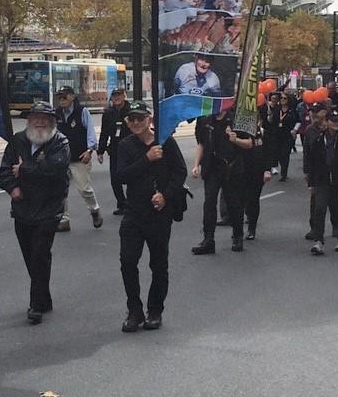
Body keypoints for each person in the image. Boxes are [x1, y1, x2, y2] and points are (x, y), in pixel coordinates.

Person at [116, 101, 187, 332]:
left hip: (158, 215)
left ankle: (155, 310)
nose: (136, 122)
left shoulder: (165, 142)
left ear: (150, 120)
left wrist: (166, 196)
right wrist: (147, 159)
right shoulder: (125, 145)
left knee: (158, 264)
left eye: (140, 118)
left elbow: (180, 172)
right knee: (127, 261)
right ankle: (134, 310)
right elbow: (122, 176)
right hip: (133, 213)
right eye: (132, 119)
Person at [0, 101, 70, 324]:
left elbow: (55, 170)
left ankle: (36, 305)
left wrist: (24, 169)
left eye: (44, 118)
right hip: (23, 209)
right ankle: (44, 297)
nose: (39, 122)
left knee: (40, 254)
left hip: (49, 209)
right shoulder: (18, 141)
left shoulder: (60, 142)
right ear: (29, 121)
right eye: (35, 118)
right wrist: (13, 187)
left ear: (51, 122)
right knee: (31, 257)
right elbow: (4, 169)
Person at [191, 109, 252, 253]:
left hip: (231, 168)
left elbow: (249, 143)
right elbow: (201, 144)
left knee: (234, 205)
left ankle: (237, 236)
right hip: (211, 168)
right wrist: (195, 165)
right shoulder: (205, 120)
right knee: (209, 203)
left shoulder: (236, 118)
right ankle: (208, 240)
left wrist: (235, 140)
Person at [54, 85, 102, 232]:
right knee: (59, 190)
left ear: (72, 97)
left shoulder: (82, 112)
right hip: (62, 158)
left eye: (64, 96)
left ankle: (94, 210)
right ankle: (64, 219)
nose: (61, 100)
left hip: (80, 157)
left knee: (84, 189)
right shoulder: (57, 114)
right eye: (59, 97)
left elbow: (90, 132)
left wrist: (90, 150)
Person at [307, 110, 338, 255]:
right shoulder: (320, 140)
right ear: (326, 122)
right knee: (319, 209)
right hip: (323, 180)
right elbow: (313, 162)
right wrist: (311, 183)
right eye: (333, 120)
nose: (336, 123)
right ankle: (318, 241)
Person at [302, 102, 336, 241]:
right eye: (313, 112)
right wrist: (306, 170)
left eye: (318, 111)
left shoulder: (333, 127)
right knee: (316, 202)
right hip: (316, 169)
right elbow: (307, 151)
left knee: (334, 202)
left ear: (324, 112)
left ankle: (337, 226)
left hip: (332, 169)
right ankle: (315, 229)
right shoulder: (310, 129)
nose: (315, 114)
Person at [97, 87, 131, 215]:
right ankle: (122, 204)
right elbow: (104, 132)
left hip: (130, 148)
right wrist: (100, 151)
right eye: (114, 95)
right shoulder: (108, 113)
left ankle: (132, 203)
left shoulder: (131, 110)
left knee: (131, 177)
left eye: (119, 95)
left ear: (124, 96)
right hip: (115, 149)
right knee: (114, 179)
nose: (117, 98)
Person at [243, 120, 272, 240]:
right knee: (242, 199)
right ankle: (238, 229)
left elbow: (269, 152)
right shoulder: (241, 133)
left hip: (257, 170)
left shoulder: (262, 132)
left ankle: (251, 228)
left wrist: (267, 169)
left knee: (253, 199)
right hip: (242, 169)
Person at [267, 91, 299, 181]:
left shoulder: (292, 110)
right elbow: (271, 121)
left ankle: (284, 173)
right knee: (278, 153)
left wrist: (295, 130)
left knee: (285, 154)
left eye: (285, 98)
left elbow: (298, 121)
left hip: (287, 135)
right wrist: (269, 115)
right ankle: (280, 167)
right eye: (281, 98)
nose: (283, 100)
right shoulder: (277, 109)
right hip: (277, 135)